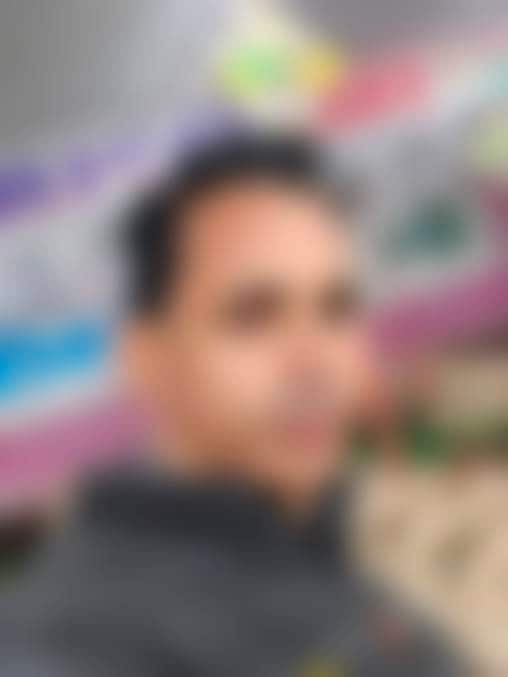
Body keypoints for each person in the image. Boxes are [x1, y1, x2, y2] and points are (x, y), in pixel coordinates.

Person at [1, 134, 465, 676]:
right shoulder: (74, 641)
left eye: (336, 309)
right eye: (252, 316)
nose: (314, 362)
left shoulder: (344, 584)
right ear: (147, 356)